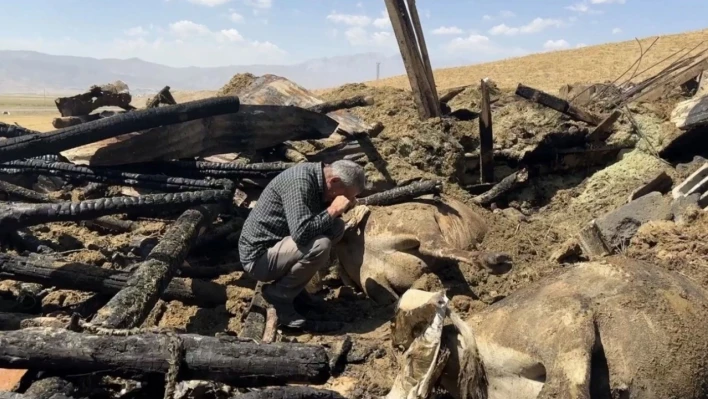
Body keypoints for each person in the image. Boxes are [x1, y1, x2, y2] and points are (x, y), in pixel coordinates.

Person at [238, 160, 367, 329]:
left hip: (281, 245)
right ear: (334, 181)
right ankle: (278, 296)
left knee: (336, 227)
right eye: (345, 195)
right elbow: (301, 233)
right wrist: (333, 210)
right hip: (259, 258)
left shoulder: (319, 179)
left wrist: (335, 208)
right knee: (320, 245)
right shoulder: (300, 183)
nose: (345, 200)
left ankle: (294, 290)